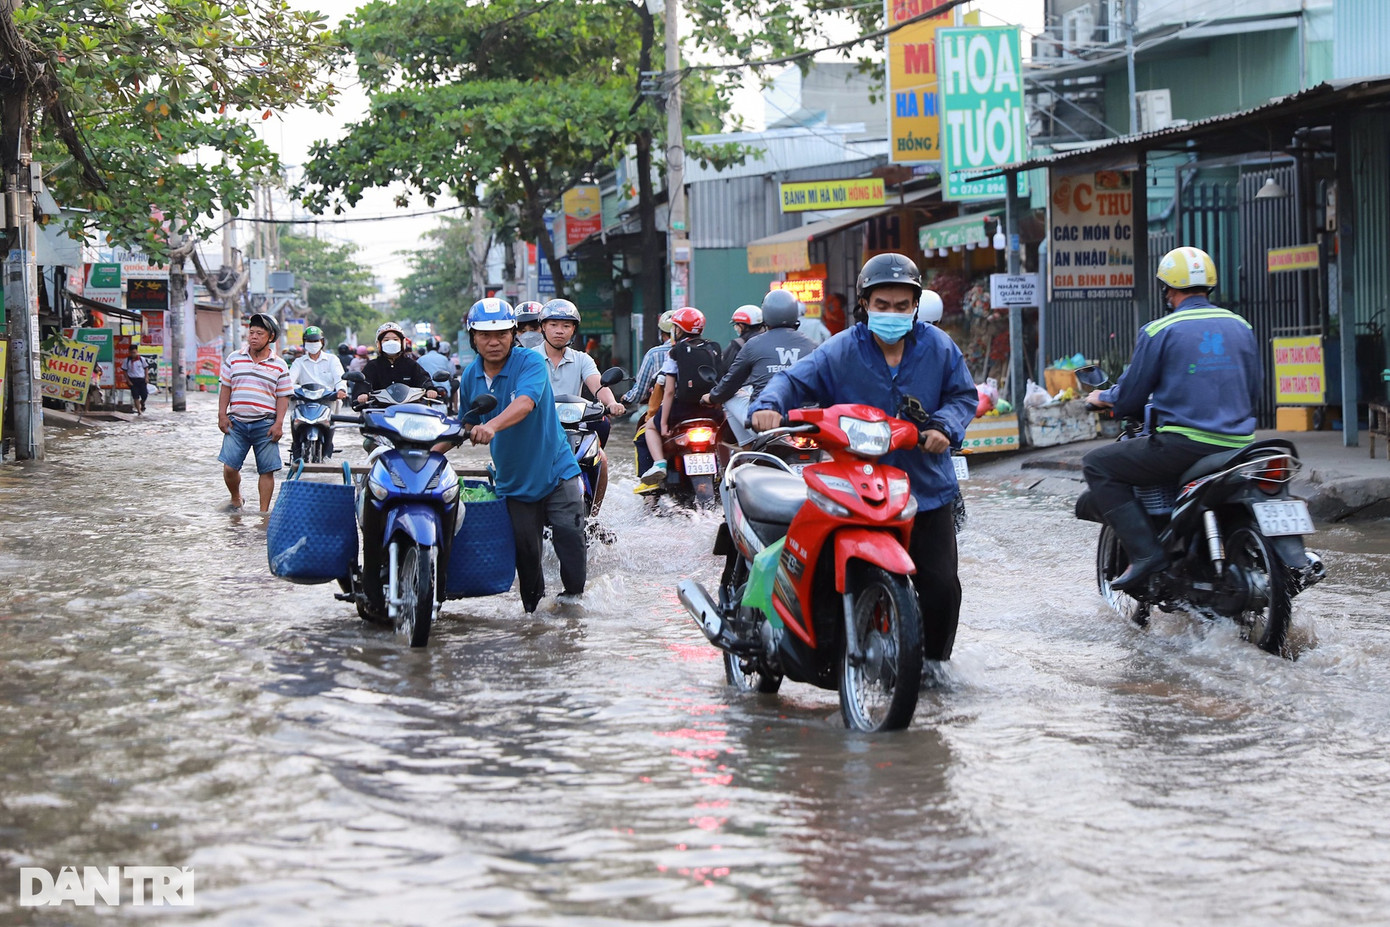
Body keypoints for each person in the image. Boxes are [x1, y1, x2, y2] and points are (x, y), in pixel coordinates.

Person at [749, 253, 978, 661]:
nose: (892, 314)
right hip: (853, 489)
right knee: (821, 575)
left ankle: (934, 670)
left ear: (915, 306)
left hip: (924, 489)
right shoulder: (839, 350)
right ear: (865, 305)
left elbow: (963, 396)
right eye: (882, 306)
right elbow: (790, 381)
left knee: (943, 586)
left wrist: (944, 426)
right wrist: (767, 406)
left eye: (902, 306)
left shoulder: (940, 348)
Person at [1082, 246, 1261, 591]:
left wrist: (1104, 397)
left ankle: (1147, 555)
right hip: (1240, 446)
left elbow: (1132, 395)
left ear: (1168, 289)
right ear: (1209, 286)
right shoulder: (1241, 325)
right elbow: (1254, 388)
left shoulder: (1159, 330)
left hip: (1185, 447)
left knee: (1096, 464)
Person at [456, 298, 588, 613]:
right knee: (526, 555)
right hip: (514, 480)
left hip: (556, 470)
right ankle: (533, 618)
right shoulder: (469, 377)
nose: (493, 342)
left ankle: (574, 610)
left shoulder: (529, 362)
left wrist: (492, 426)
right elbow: (464, 425)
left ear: (513, 333)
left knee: (570, 539)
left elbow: (526, 403)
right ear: (473, 337)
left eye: (501, 333)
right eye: (485, 335)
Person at [537, 299, 626, 516]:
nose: (560, 331)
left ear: (573, 330)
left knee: (601, 459)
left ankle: (594, 517)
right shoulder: (530, 358)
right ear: (543, 327)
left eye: (566, 326)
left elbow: (597, 385)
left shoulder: (582, 359)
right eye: (554, 325)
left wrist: (612, 403)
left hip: (574, 426)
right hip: (539, 428)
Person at [704, 288, 818, 445]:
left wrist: (711, 397)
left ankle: (748, 449)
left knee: (729, 397)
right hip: (805, 425)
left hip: (764, 423)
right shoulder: (812, 346)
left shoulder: (753, 345)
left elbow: (730, 384)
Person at [636, 306, 725, 492]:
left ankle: (659, 464)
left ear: (678, 329)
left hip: (681, 411)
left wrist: (663, 425)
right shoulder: (714, 348)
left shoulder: (675, 352)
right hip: (712, 412)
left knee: (650, 427)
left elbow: (668, 392)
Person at [217, 312, 292, 512]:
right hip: (237, 423)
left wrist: (279, 423)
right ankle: (236, 498)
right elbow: (225, 387)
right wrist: (222, 415)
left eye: (259, 333)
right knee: (229, 467)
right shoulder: (234, 358)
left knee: (267, 471)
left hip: (266, 424)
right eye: (251, 332)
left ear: (271, 337)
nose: (254, 337)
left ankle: (263, 514)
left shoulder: (279, 365)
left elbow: (283, 396)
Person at [625, 309, 678, 479]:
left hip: (667, 412)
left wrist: (626, 399)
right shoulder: (708, 349)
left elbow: (640, 391)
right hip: (702, 411)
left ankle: (649, 487)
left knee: (642, 436)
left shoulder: (657, 354)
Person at [287, 325, 348, 459]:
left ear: (322, 342)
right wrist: (289, 390)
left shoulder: (332, 360)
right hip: (304, 400)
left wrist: (341, 390)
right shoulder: (299, 362)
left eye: (316, 341)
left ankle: (327, 449)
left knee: (331, 420)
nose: (313, 344)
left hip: (326, 400)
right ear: (304, 343)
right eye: (309, 341)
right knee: (294, 417)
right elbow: (290, 380)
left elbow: (339, 378)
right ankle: (296, 448)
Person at [353, 322, 438, 404]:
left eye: (395, 339)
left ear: (402, 343)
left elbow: (423, 379)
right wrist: (362, 393)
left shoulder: (411, 364)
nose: (391, 343)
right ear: (379, 344)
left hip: (408, 409)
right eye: (386, 340)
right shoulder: (373, 366)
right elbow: (364, 382)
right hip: (379, 409)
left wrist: (430, 389)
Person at [416, 336, 456, 411]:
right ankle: (454, 409)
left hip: (426, 390)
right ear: (438, 347)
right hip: (444, 389)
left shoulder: (420, 359)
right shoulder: (444, 358)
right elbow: (451, 373)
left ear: (427, 347)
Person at [723, 304, 764, 369]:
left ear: (742, 326)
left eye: (736, 325)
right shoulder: (770, 341)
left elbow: (726, 369)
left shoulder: (737, 345)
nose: (736, 328)